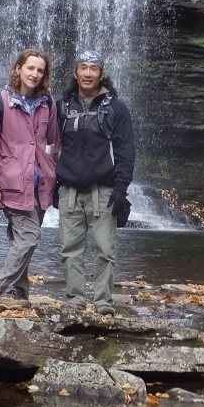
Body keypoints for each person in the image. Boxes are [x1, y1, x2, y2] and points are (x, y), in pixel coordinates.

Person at [0, 49, 59, 310]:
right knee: (29, 237)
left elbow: (54, 142)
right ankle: (4, 289)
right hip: (12, 183)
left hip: (40, 185)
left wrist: (52, 169)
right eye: (30, 68)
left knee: (20, 238)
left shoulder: (48, 103)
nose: (35, 74)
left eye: (40, 70)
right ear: (18, 69)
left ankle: (19, 292)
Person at [55, 50, 135, 315]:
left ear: (102, 74)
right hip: (69, 191)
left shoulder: (116, 108)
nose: (88, 73)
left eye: (93, 68)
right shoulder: (61, 107)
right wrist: (53, 183)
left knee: (104, 249)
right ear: (75, 72)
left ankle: (103, 302)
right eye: (83, 68)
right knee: (70, 249)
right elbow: (49, 146)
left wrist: (121, 189)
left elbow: (126, 150)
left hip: (104, 191)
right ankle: (75, 299)